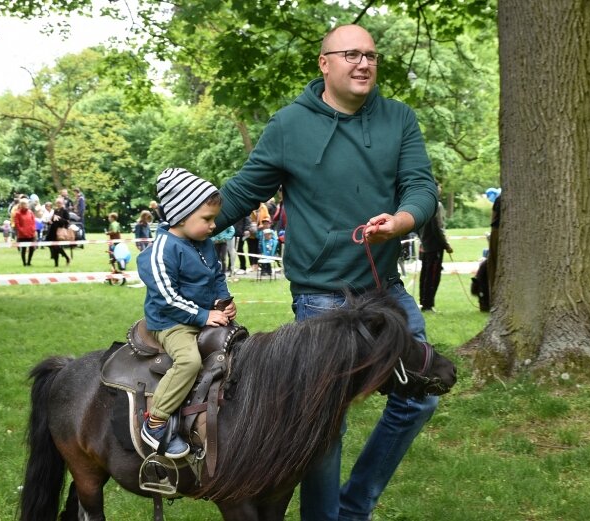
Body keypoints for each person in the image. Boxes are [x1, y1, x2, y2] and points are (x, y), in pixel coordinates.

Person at [214, 24, 439, 521]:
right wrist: (187, 223)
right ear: (325, 63)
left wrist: (400, 221)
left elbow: (421, 187)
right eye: (351, 54)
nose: (364, 64)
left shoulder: (398, 118)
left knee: (420, 396)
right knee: (324, 422)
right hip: (321, 297)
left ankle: (353, 506)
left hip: (385, 292)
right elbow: (243, 192)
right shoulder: (290, 124)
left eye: (372, 56)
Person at [137, 167, 236, 458]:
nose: (212, 225)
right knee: (190, 361)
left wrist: (223, 300)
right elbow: (167, 298)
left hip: (205, 313)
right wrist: (203, 316)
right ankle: (155, 422)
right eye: (207, 218)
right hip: (172, 322)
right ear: (181, 214)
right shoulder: (161, 251)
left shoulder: (203, 242)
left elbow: (216, 274)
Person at [418, 183, 453, 312]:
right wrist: (446, 245)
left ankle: (424, 302)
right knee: (432, 276)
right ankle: (428, 304)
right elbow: (438, 228)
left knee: (425, 275)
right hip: (434, 246)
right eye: (438, 187)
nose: (440, 189)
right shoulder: (436, 205)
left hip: (425, 245)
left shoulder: (422, 204)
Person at [45, 198, 71, 267]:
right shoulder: (55, 211)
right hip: (52, 231)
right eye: (57, 203)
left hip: (59, 231)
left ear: (62, 203)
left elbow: (67, 221)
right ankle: (65, 258)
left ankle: (63, 259)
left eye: (60, 203)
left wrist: (59, 218)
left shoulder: (65, 211)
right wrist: (49, 221)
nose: (58, 204)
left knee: (56, 247)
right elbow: (53, 220)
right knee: (53, 247)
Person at [14, 198, 37, 266]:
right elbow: (17, 224)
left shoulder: (30, 212)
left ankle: (29, 262)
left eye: (27, 204)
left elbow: (33, 222)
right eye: (24, 204)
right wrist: (23, 232)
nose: (26, 205)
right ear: (21, 205)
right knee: (23, 249)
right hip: (22, 235)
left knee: (31, 249)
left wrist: (33, 230)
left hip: (31, 234)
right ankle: (24, 263)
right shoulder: (17, 213)